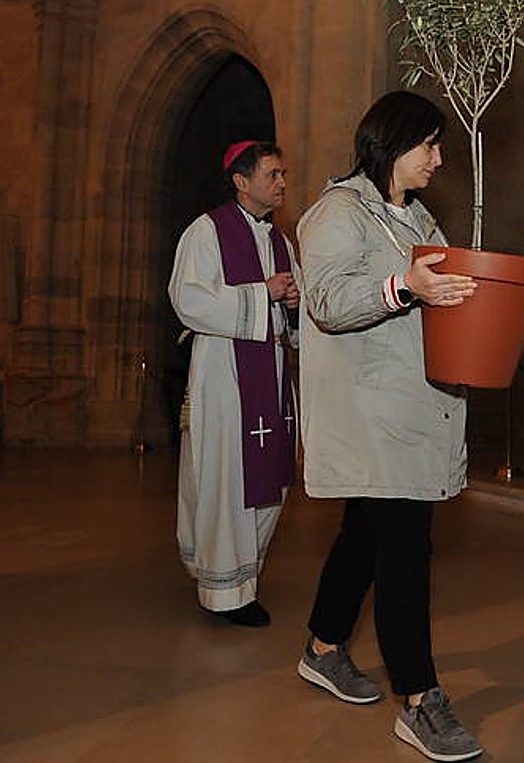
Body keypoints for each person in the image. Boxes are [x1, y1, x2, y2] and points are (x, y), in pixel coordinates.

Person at [294, 91, 483, 762]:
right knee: (405, 546)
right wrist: (403, 288)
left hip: (410, 401)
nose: (437, 158)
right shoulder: (336, 214)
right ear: (391, 142)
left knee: (365, 534)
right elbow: (326, 301)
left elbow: (430, 292)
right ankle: (420, 700)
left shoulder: (418, 215)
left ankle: (323, 646)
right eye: (429, 144)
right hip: (369, 407)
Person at [168, 140, 300, 628]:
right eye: (272, 174)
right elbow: (187, 300)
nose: (282, 183)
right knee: (227, 476)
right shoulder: (206, 232)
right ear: (241, 182)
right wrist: (261, 293)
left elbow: (297, 305)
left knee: (269, 481)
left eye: (284, 173)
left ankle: (246, 575)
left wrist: (293, 306)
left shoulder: (281, 241)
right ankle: (226, 591)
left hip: (270, 370)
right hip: (225, 375)